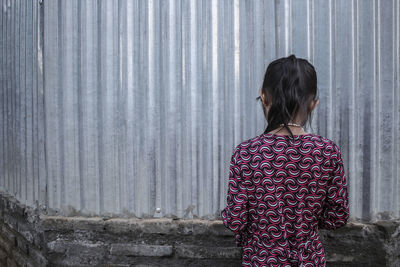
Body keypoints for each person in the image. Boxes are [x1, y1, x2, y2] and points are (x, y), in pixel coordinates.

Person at [221, 54, 349, 267]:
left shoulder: (247, 152)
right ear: (313, 104)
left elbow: (235, 220)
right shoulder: (327, 151)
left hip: (262, 260)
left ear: (263, 97)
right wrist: (304, 224)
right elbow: (337, 216)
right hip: (309, 259)